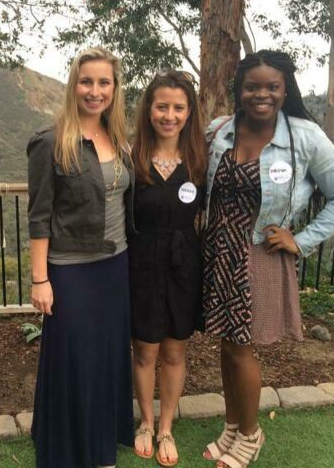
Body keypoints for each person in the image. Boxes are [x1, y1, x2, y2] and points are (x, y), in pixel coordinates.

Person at [201, 50, 334, 468]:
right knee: (225, 344)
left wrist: (302, 239)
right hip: (219, 250)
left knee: (242, 349)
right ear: (239, 90)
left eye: (271, 86)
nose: (261, 94)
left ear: (284, 89)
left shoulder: (304, 137)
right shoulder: (220, 130)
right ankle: (233, 426)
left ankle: (251, 435)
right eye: (252, 86)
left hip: (260, 254)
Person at [27, 47, 135, 468]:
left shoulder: (118, 138)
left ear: (114, 88)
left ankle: (100, 441)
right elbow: (39, 216)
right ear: (74, 85)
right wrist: (40, 279)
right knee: (73, 358)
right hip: (69, 269)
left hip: (115, 264)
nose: (95, 91)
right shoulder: (50, 142)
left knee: (107, 355)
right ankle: (67, 448)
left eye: (103, 82)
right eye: (86, 81)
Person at [129, 70, 207, 467]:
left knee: (175, 352)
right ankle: (144, 421)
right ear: (149, 109)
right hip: (140, 265)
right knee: (144, 350)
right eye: (162, 106)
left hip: (183, 266)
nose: (169, 115)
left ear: (189, 111)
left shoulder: (199, 159)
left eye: (178, 107)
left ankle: (166, 428)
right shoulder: (132, 157)